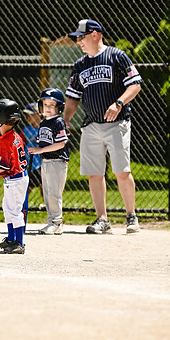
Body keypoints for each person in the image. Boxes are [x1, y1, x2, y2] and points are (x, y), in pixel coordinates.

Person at [63, 18, 143, 234]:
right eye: (77, 38)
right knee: (94, 173)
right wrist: (67, 119)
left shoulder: (116, 56)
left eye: (82, 36)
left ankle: (131, 216)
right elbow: (72, 97)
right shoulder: (80, 65)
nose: (78, 41)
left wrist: (118, 103)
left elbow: (135, 85)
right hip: (91, 125)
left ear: (95, 34)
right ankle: (102, 219)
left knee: (121, 171)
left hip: (117, 123)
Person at [0, 98, 29, 254]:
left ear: (0, 120)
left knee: (15, 211)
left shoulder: (4, 140)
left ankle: (19, 243)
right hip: (16, 178)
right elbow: (9, 164)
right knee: (8, 208)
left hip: (16, 180)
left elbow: (4, 166)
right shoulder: (15, 136)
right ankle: (11, 238)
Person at [28, 88, 69, 234]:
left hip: (57, 161)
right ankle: (52, 221)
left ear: (59, 107)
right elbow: (44, 142)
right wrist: (37, 148)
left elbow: (61, 144)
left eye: (52, 105)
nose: (48, 108)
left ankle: (56, 222)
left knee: (54, 193)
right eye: (45, 105)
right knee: (47, 193)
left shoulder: (58, 122)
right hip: (46, 161)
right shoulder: (44, 122)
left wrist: (40, 150)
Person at [20, 103, 43, 197]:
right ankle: (20, 206)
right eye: (27, 115)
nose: (28, 117)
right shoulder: (26, 130)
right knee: (27, 187)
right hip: (30, 164)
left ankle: (48, 207)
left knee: (45, 187)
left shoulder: (45, 129)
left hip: (43, 163)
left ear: (39, 115)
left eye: (31, 115)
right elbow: (21, 144)